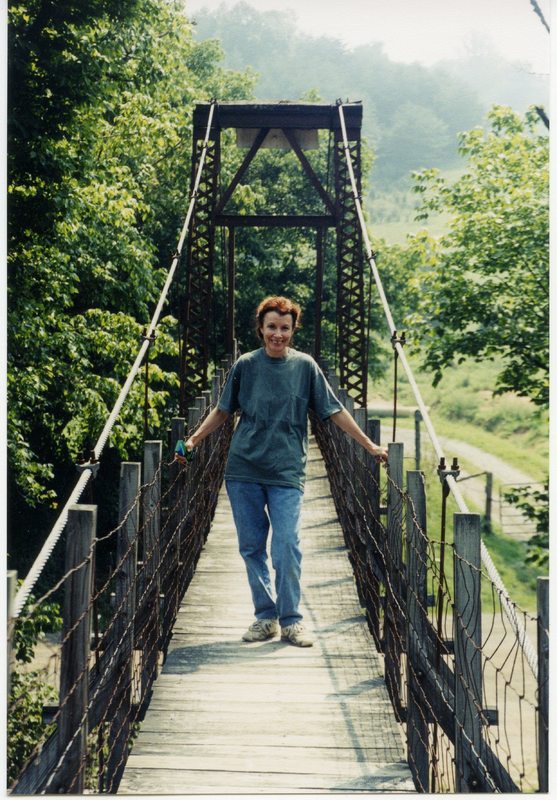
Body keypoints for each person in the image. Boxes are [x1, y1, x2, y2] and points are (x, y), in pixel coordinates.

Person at [183, 296, 387, 648]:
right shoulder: (245, 366)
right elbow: (223, 410)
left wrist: (369, 445)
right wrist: (194, 439)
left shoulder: (305, 367)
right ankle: (266, 618)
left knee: (287, 545)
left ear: (294, 331)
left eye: (285, 328)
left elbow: (334, 411)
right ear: (260, 328)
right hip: (243, 468)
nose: (278, 334)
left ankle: (292, 620)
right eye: (272, 327)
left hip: (287, 472)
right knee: (251, 547)